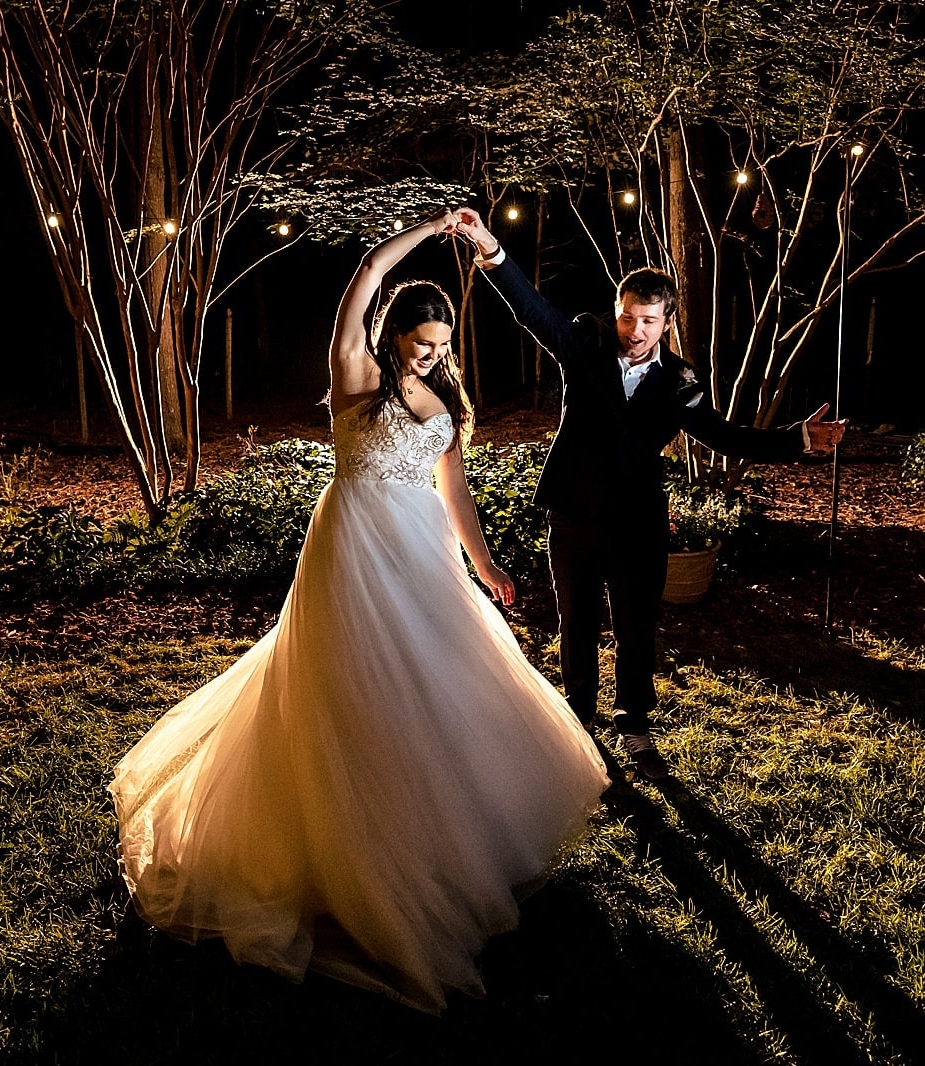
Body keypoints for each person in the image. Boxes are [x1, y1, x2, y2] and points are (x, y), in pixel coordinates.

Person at [108, 210, 609, 1015]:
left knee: (441, 687)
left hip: (423, 553)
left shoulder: (443, 393)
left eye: (443, 346)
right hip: (354, 547)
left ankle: (443, 841)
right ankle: (348, 858)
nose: (435, 356)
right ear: (390, 336)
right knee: (353, 691)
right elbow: (364, 276)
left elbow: (454, 490)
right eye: (421, 345)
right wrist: (431, 228)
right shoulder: (356, 374)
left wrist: (484, 564)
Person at [452, 206, 845, 782]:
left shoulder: (681, 381)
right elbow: (534, 311)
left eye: (649, 322)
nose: (635, 332)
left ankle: (634, 723)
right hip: (575, 513)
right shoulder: (585, 343)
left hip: (637, 521)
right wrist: (490, 247)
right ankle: (579, 721)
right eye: (628, 318)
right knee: (576, 621)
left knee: (637, 625)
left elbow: (722, 434)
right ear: (616, 313)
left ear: (666, 323)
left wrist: (799, 440)